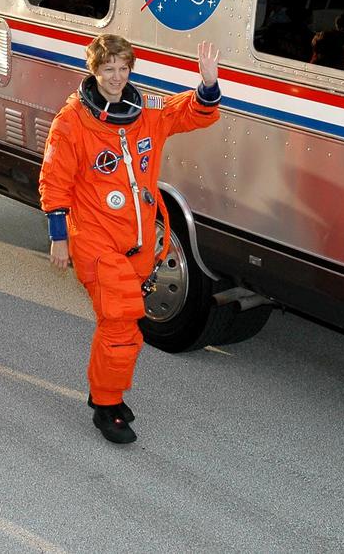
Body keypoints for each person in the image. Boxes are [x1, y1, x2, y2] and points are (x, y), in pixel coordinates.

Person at [39, 34, 221, 444]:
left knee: (128, 324)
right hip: (94, 240)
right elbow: (54, 181)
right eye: (108, 70)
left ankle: (107, 391)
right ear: (94, 71)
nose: (116, 78)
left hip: (140, 240)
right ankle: (106, 407)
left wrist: (207, 86)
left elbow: (190, 113)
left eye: (123, 69)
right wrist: (58, 237)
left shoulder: (145, 113)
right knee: (119, 320)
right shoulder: (72, 123)